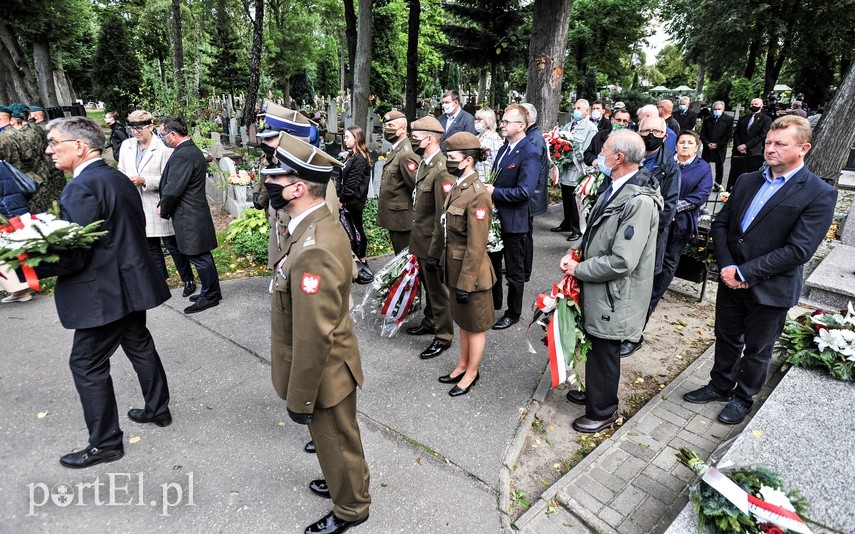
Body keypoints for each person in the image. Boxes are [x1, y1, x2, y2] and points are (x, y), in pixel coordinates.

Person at [683, 116, 836, 425]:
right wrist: (727, 267)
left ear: (803, 148)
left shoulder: (819, 192)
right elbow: (723, 224)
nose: (770, 149)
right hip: (730, 278)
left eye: (780, 144)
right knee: (726, 338)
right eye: (768, 142)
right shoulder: (747, 180)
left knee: (758, 349)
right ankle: (720, 385)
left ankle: (743, 397)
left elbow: (799, 249)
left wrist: (744, 273)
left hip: (770, 288)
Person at [39, 116, 172, 468]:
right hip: (130, 282)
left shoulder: (80, 187)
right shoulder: (116, 177)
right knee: (138, 343)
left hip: (104, 291)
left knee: (86, 363)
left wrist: (32, 266)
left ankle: (106, 443)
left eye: (55, 143)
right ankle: (158, 409)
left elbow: (78, 252)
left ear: (80, 147)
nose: (49, 150)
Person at [265, 132, 370, 534]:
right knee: (333, 440)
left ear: (296, 187)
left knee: (337, 440)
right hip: (327, 361)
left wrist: (300, 396)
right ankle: (341, 482)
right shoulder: (313, 224)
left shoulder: (314, 247)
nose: (267, 185)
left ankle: (352, 509)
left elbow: (314, 333)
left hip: (324, 369)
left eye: (274, 179)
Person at [559, 130, 662, 432]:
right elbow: (596, 232)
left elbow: (622, 260)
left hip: (616, 293)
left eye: (604, 149)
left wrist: (578, 271)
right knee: (596, 343)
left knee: (605, 350)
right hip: (601, 286)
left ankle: (603, 411)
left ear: (618, 157)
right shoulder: (617, 186)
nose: (599, 154)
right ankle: (595, 393)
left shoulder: (639, 201)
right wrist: (577, 253)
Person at [438, 132, 496, 396]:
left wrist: (465, 282)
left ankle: (472, 371)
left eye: (452, 157)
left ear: (468, 161)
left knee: (475, 326)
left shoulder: (478, 194)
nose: (448, 161)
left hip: (472, 275)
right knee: (462, 322)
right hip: (455, 268)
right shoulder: (459, 185)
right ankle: (462, 364)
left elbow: (476, 245)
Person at [620, 115, 680, 357]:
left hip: (649, 241)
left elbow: (668, 209)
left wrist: (640, 226)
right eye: (646, 131)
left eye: (656, 131)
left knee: (641, 292)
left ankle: (633, 336)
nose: (650, 135)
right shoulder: (628, 157)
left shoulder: (669, 168)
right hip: (622, 237)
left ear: (665, 137)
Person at [118, 110, 196, 297]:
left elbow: (169, 179)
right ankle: (160, 280)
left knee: (172, 245)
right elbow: (120, 168)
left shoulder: (164, 148)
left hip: (157, 202)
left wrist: (145, 180)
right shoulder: (126, 146)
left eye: (140, 128)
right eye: (132, 128)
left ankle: (188, 279)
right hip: (135, 202)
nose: (136, 132)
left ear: (151, 126)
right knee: (150, 246)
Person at [157, 117, 222, 314]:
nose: (161, 138)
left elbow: (173, 190)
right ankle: (212, 291)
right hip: (193, 212)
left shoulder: (183, 155)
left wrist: (164, 208)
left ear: (173, 135)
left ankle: (210, 295)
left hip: (189, 214)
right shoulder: (189, 150)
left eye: (162, 135)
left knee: (199, 256)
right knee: (201, 255)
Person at [405, 116, 455, 359]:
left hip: (431, 243)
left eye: (415, 136)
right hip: (420, 239)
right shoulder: (424, 163)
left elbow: (442, 217)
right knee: (428, 287)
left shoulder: (441, 169)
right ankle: (430, 321)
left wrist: (437, 251)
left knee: (438, 292)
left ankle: (443, 336)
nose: (412, 138)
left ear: (429, 138)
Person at [648, 130, 713, 313]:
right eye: (682, 142)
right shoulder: (666, 162)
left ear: (696, 147)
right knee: (652, 255)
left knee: (669, 260)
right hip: (657, 216)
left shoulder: (703, 168)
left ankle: (653, 300)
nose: (685, 145)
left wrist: (672, 206)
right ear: (675, 145)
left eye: (690, 143)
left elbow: (700, 195)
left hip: (681, 221)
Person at [487, 104, 539, 330]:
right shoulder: (504, 148)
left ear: (522, 125)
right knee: (493, 262)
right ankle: (494, 302)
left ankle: (513, 312)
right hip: (497, 217)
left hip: (515, 221)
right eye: (503, 121)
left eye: (507, 121)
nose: (502, 124)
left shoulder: (530, 151)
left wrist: (494, 192)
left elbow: (525, 192)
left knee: (514, 271)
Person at [553, 99, 598, 241]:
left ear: (586, 111)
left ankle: (577, 229)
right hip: (566, 168)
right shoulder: (568, 125)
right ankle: (567, 222)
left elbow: (588, 149)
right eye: (575, 107)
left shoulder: (590, 128)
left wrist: (575, 154)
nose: (576, 110)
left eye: (579, 108)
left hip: (578, 169)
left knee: (575, 201)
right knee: (566, 197)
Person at [376, 110, 420, 254]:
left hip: (402, 219)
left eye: (391, 125)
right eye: (386, 125)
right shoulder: (398, 150)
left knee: (405, 261)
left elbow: (417, 187)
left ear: (403, 129)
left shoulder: (406, 153)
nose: (387, 129)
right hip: (395, 218)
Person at [520, 103, 549, 282]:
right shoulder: (532, 136)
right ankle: (522, 268)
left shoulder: (534, 139)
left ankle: (524, 270)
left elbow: (531, 171)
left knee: (525, 235)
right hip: (531, 195)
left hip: (530, 196)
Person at [338, 125, 373, 270]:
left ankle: (362, 260)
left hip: (354, 201)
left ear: (356, 138)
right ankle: (357, 259)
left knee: (356, 229)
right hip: (350, 199)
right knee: (351, 229)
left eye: (347, 137)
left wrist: (342, 199)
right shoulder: (352, 156)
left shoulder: (359, 159)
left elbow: (352, 183)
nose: (344, 139)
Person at [0, 155, 33, 303]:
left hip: (6, 210)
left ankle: (20, 290)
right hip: (11, 207)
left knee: (8, 253)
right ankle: (19, 289)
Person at [728, 97, 771, 191]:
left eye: (756, 104)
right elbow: (736, 133)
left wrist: (746, 146)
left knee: (750, 175)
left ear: (761, 105)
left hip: (753, 151)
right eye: (752, 104)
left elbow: (762, 135)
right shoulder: (744, 118)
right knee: (735, 174)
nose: (753, 106)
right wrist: (739, 145)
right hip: (738, 151)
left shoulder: (766, 119)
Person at [699, 101, 732, 186]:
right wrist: (707, 143)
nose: (717, 110)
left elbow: (728, 135)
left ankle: (717, 184)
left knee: (719, 166)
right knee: (704, 166)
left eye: (719, 109)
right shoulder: (708, 119)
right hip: (708, 147)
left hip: (720, 147)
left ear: (723, 109)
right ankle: (703, 183)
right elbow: (703, 133)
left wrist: (717, 144)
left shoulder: (728, 119)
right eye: (715, 109)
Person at [474, 108, 503, 181]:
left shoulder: (494, 138)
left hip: (487, 179)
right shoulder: (477, 137)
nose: (476, 122)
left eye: (479, 119)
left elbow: (498, 161)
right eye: (475, 119)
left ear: (487, 121)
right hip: (476, 178)